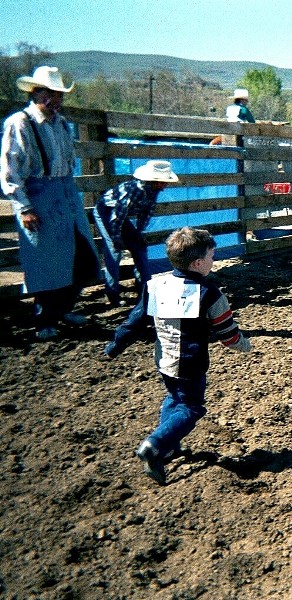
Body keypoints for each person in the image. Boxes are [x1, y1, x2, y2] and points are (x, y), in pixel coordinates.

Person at [134, 227, 251, 485]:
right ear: (199, 263)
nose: (214, 260)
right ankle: (154, 445)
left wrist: (117, 343)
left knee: (174, 398)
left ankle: (170, 446)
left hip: (163, 358)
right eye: (212, 255)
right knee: (191, 407)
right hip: (190, 362)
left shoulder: (156, 283)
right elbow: (226, 331)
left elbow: (136, 317)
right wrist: (243, 344)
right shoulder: (209, 292)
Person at [0, 66, 100, 341]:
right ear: (37, 93)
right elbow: (11, 170)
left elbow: (68, 161)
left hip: (66, 195)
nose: (56, 101)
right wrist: (24, 207)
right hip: (39, 196)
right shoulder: (19, 123)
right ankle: (45, 319)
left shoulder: (61, 124)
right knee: (45, 263)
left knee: (82, 256)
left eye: (59, 96)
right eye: (51, 95)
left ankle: (64, 309)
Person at [93, 160, 180, 306]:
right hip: (106, 210)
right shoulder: (135, 190)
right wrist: (116, 238)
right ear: (154, 181)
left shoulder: (153, 191)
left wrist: (138, 233)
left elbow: (146, 213)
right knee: (114, 251)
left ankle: (145, 288)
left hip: (120, 215)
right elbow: (117, 215)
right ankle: (112, 293)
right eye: (163, 182)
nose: (165, 185)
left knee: (140, 247)